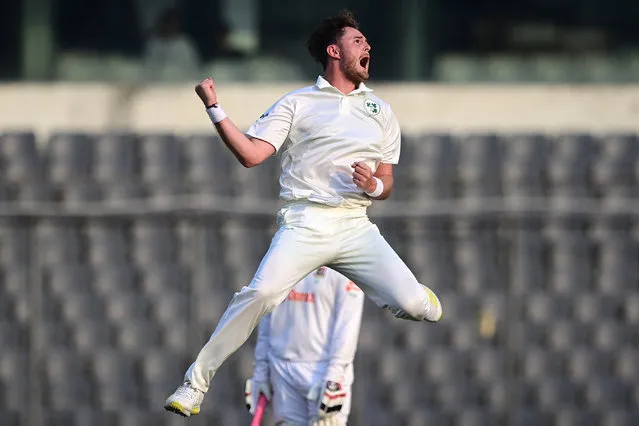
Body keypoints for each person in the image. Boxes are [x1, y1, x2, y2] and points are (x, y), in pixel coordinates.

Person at [164, 9, 443, 418]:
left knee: (417, 307)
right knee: (258, 294)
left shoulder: (381, 112)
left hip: (354, 224)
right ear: (334, 50)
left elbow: (387, 181)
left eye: (367, 41)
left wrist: (373, 186)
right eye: (358, 41)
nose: (368, 46)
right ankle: (194, 385)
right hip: (306, 221)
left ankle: (417, 297)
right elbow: (251, 155)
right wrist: (215, 109)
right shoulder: (298, 103)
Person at [244, 266, 364, 426]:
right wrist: (261, 371)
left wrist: (334, 377)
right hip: (282, 371)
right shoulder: (280, 255)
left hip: (323, 372)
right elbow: (266, 317)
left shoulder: (346, 263)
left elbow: (347, 326)